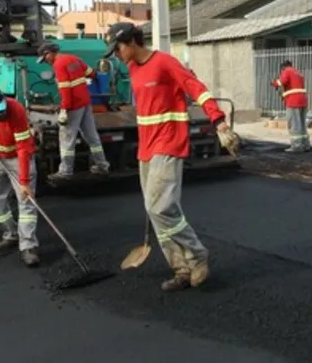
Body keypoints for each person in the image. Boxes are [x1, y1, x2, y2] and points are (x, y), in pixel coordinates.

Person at [102, 22, 241, 292]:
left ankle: (197, 254)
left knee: (160, 207)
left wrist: (218, 121)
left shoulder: (165, 63)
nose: (116, 55)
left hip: (169, 143)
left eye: (117, 48)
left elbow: (195, 87)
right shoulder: (132, 68)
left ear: (132, 42)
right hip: (147, 147)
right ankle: (181, 268)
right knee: (156, 212)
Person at [0, 86, 41, 267]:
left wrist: (25, 182)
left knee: (25, 200)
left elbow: (23, 149)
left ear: (4, 100)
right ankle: (11, 233)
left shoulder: (17, 111)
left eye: (1, 110)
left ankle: (28, 245)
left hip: (18, 158)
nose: (0, 115)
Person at [37, 41, 110, 178]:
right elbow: (92, 74)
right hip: (85, 103)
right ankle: (102, 165)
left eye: (45, 58)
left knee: (67, 138)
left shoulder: (58, 64)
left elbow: (65, 89)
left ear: (49, 53)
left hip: (73, 106)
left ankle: (66, 171)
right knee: (92, 137)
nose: (46, 62)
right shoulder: (74, 58)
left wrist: (64, 109)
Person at [272, 60, 310, 153]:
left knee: (294, 124)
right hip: (303, 101)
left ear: (283, 68)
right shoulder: (299, 73)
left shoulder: (287, 71)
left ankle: (296, 146)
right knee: (301, 124)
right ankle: (305, 144)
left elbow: (282, 81)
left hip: (293, 102)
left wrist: (274, 83)